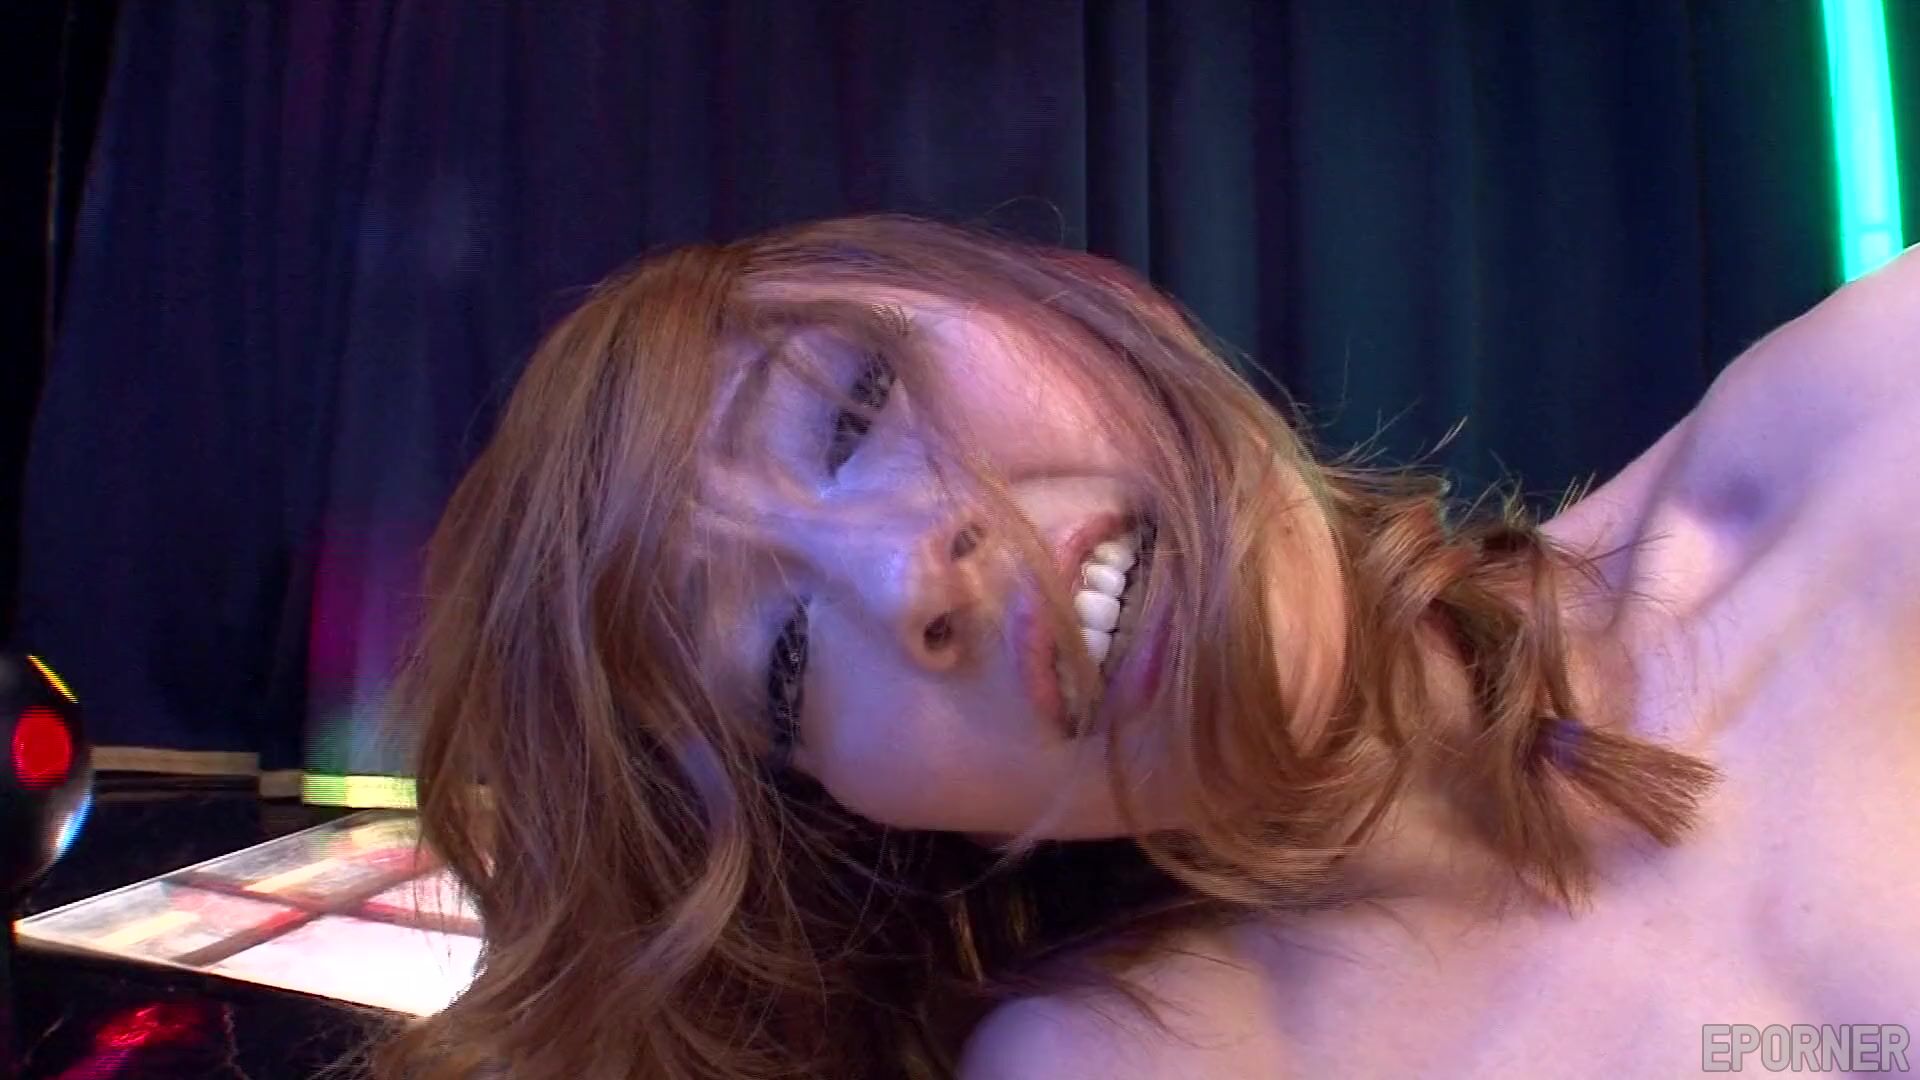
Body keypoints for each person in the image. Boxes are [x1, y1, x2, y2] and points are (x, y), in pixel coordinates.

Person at [373, 216, 1919, 1079]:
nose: (908, 575)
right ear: (865, 819)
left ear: (1092, 301)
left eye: (854, 408)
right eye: (782, 669)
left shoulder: (1878, 425)